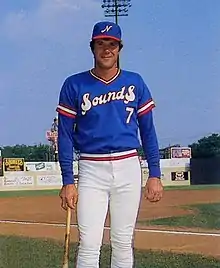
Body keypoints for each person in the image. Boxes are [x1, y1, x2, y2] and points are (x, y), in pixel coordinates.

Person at [56, 21, 163, 268]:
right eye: (101, 44)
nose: (106, 49)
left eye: (112, 44)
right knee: (90, 243)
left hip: (128, 165)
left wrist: (155, 174)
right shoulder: (74, 84)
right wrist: (68, 181)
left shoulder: (135, 82)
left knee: (123, 241)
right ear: (92, 47)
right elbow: (64, 135)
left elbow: (148, 131)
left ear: (119, 48)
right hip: (92, 168)